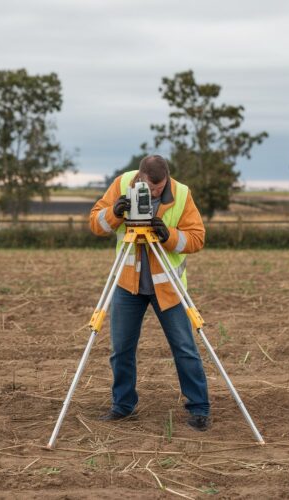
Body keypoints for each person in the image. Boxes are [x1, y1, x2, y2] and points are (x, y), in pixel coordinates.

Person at [89, 155, 210, 431]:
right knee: (121, 350)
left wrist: (166, 235)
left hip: (167, 285)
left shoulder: (181, 194)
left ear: (166, 177)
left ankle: (199, 408)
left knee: (185, 349)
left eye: (159, 187)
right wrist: (114, 213)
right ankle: (122, 406)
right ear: (140, 177)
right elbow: (95, 224)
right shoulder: (121, 184)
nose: (154, 192)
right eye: (150, 187)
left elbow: (197, 238)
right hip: (127, 284)